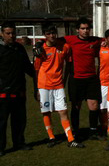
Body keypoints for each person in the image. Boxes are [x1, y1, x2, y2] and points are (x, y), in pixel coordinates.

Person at [34, 25, 84, 148]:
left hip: (58, 85)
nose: (52, 36)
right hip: (44, 85)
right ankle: (51, 138)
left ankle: (70, 139)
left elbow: (69, 63)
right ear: (45, 35)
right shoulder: (41, 50)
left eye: (53, 33)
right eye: (48, 33)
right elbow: (36, 69)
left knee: (63, 111)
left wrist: (65, 78)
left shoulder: (64, 47)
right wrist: (36, 88)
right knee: (46, 112)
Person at [64, 17, 104, 140]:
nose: (85, 31)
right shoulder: (70, 40)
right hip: (76, 79)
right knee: (76, 106)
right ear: (77, 30)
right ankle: (76, 131)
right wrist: (38, 43)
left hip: (91, 78)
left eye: (87, 28)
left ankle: (93, 131)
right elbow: (53, 39)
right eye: (83, 28)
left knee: (94, 105)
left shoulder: (95, 41)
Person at [0, 22, 36, 156]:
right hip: (3, 93)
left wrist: (39, 75)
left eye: (13, 33)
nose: (11, 36)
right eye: (8, 33)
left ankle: (19, 142)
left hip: (19, 91)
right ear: (2, 34)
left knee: (19, 120)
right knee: (2, 122)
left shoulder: (19, 48)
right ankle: (1, 147)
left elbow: (28, 68)